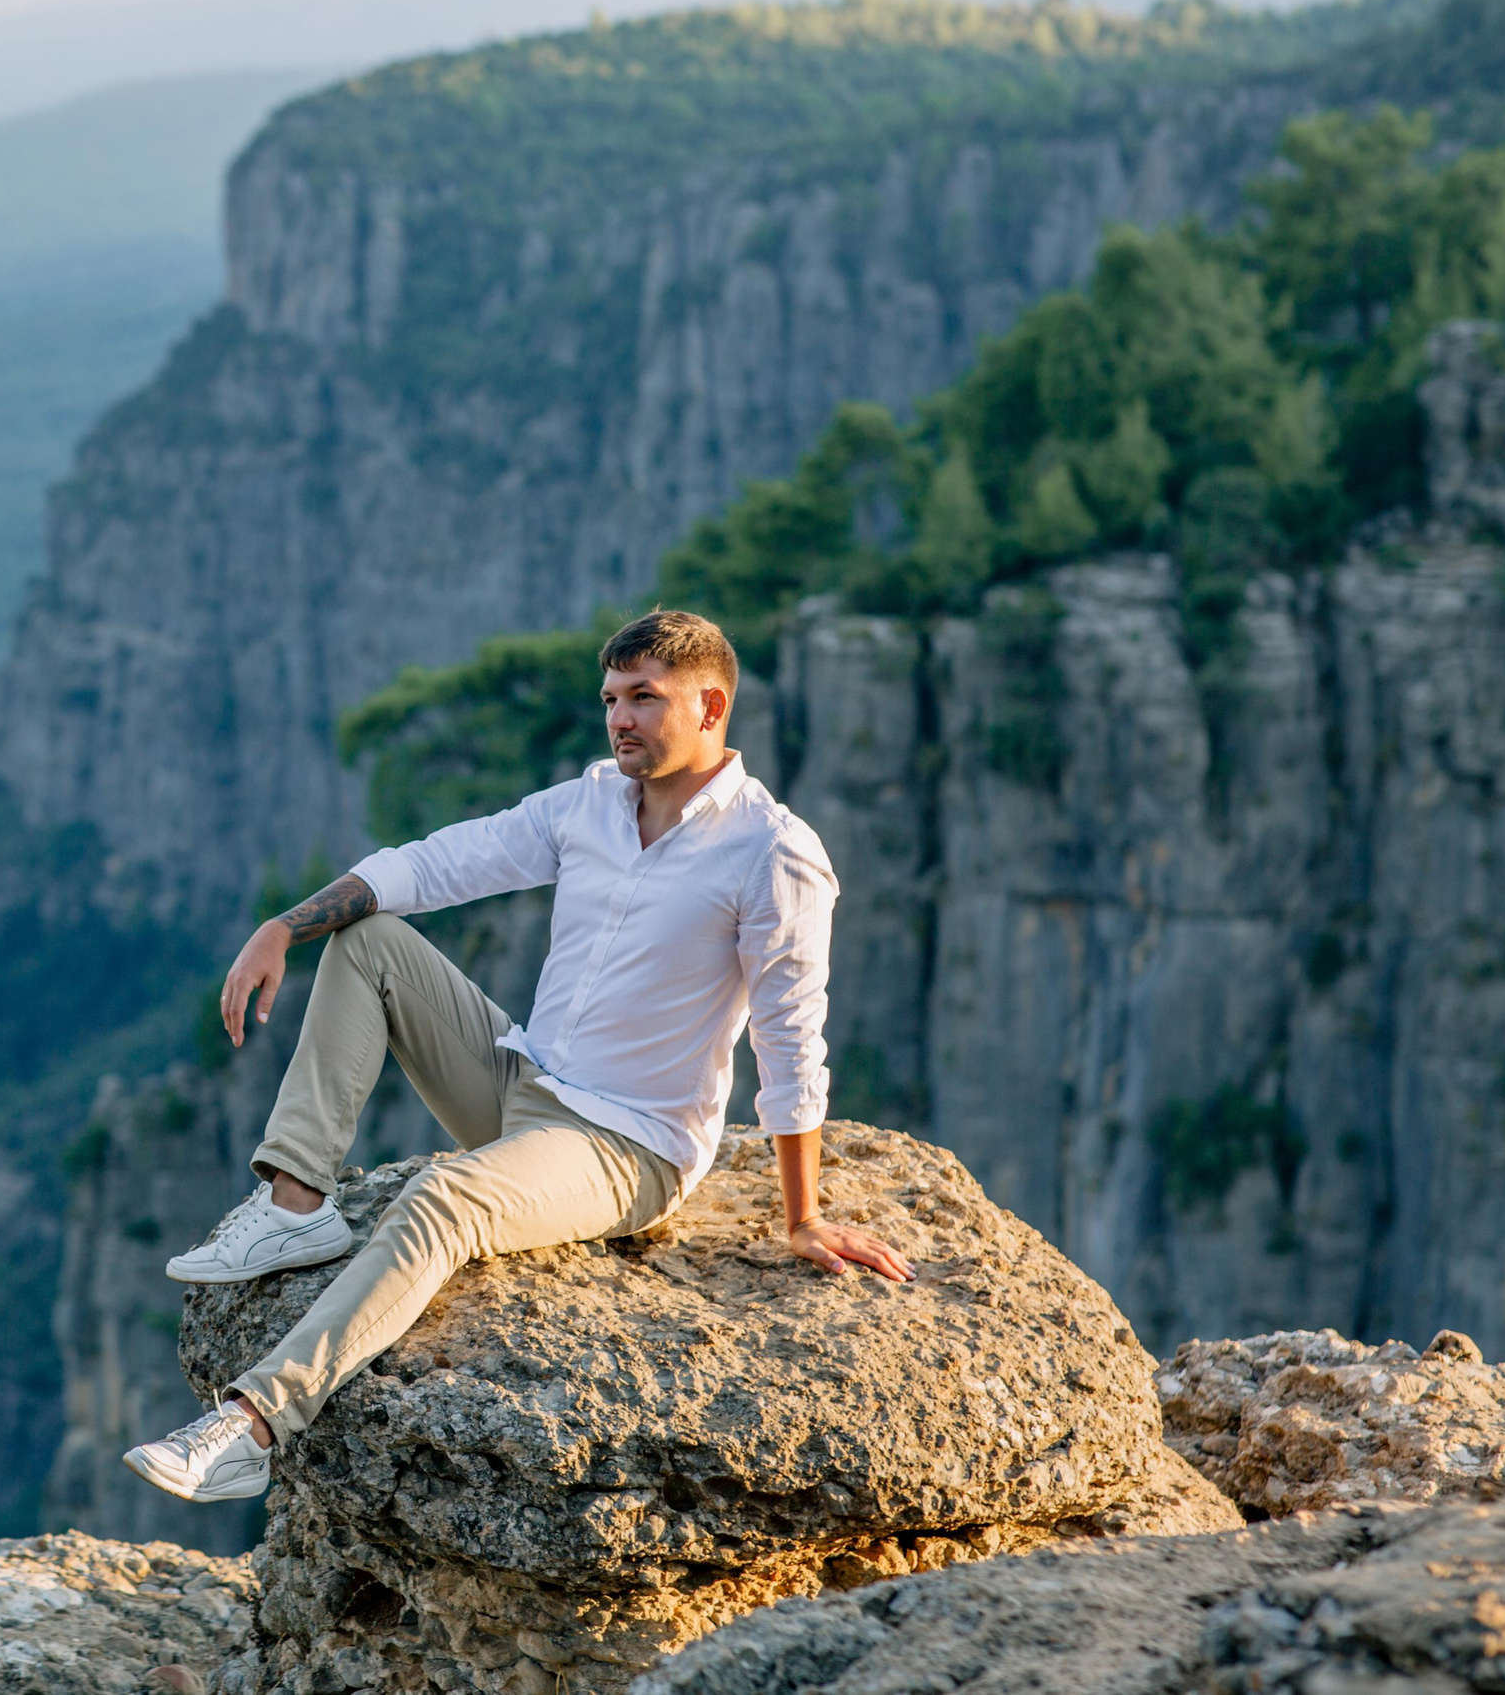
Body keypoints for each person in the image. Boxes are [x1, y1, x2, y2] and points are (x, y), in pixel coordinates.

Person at [122, 608, 914, 1503]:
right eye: (610, 699)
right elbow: (443, 862)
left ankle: (253, 1424)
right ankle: (296, 1201)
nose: (620, 718)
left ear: (711, 706)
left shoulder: (773, 851)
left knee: (444, 1197)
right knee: (368, 940)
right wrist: (282, 925)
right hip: (524, 1081)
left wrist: (803, 1216)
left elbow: (790, 1035)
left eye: (644, 698)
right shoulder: (591, 802)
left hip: (628, 1144)